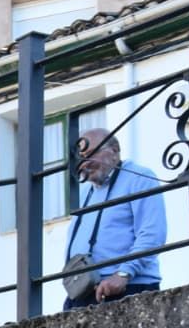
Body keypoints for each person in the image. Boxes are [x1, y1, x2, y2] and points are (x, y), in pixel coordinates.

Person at [63, 128, 166, 310]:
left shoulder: (139, 177)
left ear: (115, 150)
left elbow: (152, 233)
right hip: (83, 292)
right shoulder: (86, 192)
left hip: (126, 286)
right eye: (82, 157)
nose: (86, 163)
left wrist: (123, 274)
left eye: (92, 153)